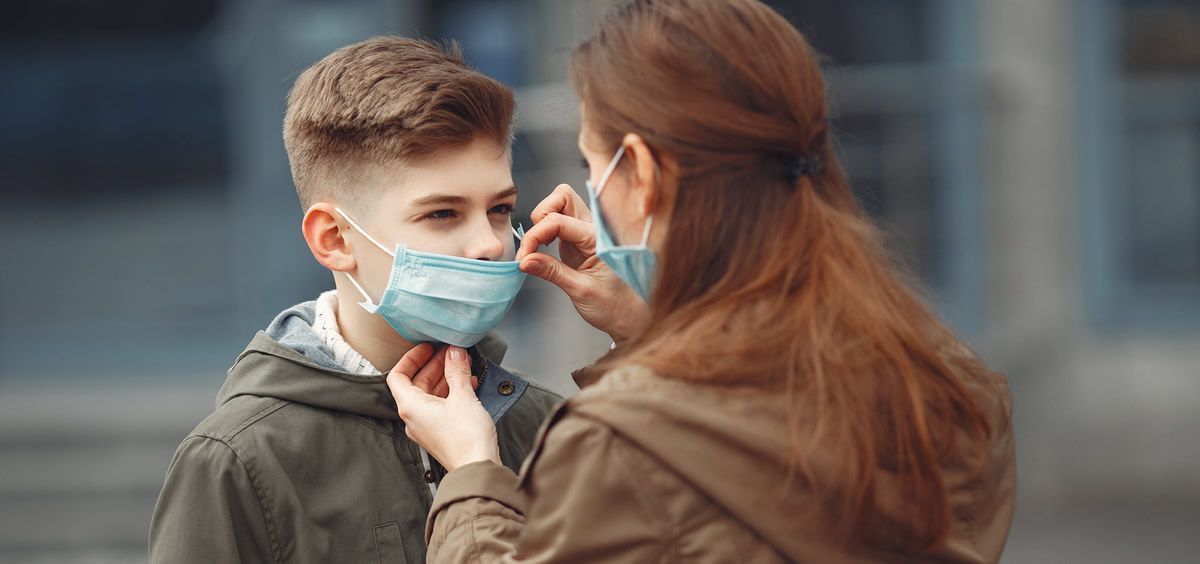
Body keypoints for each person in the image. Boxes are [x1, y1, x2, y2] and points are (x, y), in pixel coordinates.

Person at [386, 1, 1016, 562]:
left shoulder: (622, 441)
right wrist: (652, 332)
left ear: (641, 170)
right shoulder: (949, 383)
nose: (492, 240)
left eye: (591, 164)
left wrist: (471, 473)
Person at [148, 37, 560, 563]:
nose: (489, 244)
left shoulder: (549, 428)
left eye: (500, 209)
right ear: (335, 239)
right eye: (442, 214)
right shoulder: (239, 460)